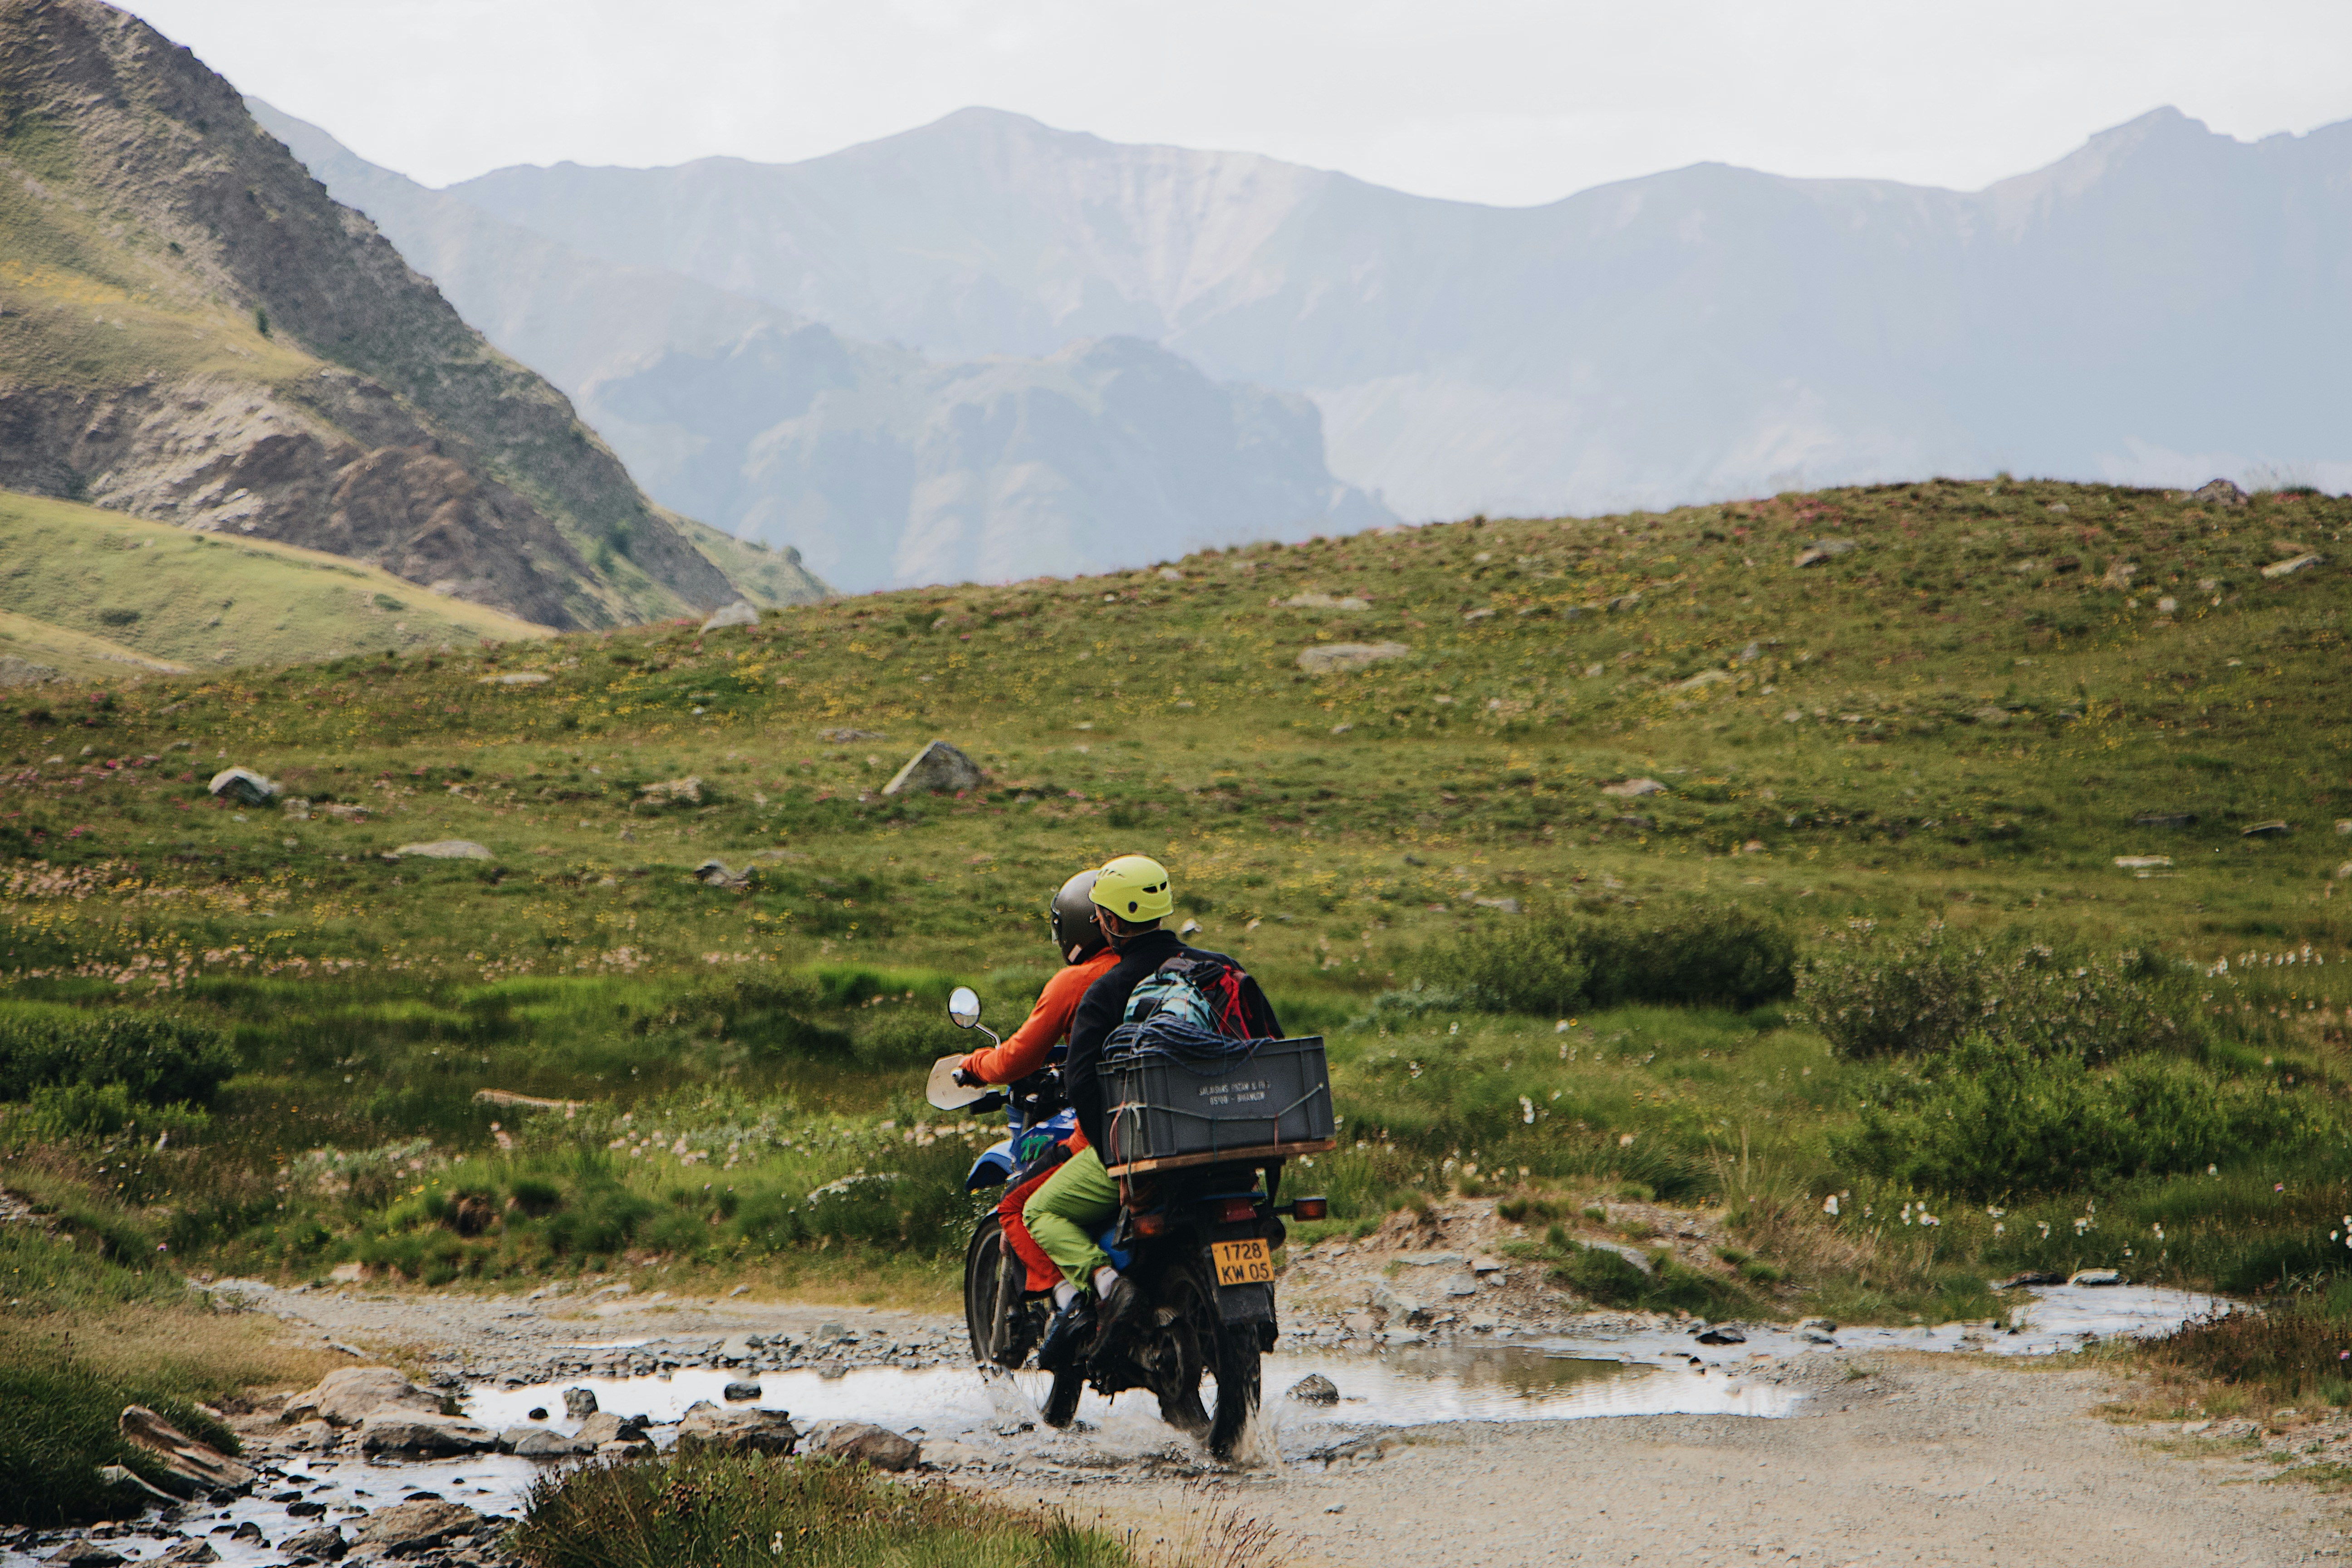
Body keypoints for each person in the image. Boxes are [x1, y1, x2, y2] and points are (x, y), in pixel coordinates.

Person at [1023, 853, 1281, 1365]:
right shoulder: (1221, 968)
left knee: (1038, 1208)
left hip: (1149, 1154)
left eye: (1100, 915)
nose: (1097, 921)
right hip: (1235, 1141)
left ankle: (1106, 1285)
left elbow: (1082, 1086)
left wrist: (1116, 1163)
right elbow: (1271, 1044)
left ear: (1112, 922)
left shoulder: (1107, 991)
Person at [952, 871, 1120, 1295]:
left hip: (1112, 1135)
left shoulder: (1077, 982)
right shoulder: (1163, 968)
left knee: (1018, 1205)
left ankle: (1074, 1302)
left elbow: (1016, 1058)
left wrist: (974, 1065)